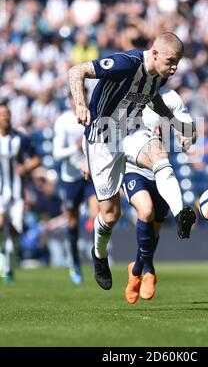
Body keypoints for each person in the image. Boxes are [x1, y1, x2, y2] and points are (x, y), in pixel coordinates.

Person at [68, 32, 196, 293]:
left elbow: (154, 101)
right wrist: (80, 105)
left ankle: (180, 212)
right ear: (155, 53)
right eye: (171, 61)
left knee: (161, 156)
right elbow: (76, 70)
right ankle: (99, 254)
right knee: (110, 215)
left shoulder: (159, 75)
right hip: (101, 138)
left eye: (178, 63)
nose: (174, 68)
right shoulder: (126, 63)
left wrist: (179, 126)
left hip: (131, 131)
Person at [122, 86, 195, 303]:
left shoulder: (170, 98)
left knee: (153, 229)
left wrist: (188, 137)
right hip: (132, 168)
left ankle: (136, 270)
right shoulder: (126, 95)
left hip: (161, 172)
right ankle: (149, 271)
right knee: (145, 211)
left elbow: (189, 128)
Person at [53, 93, 99, 285]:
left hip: (91, 175)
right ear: (70, 101)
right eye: (75, 98)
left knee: (97, 215)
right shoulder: (64, 121)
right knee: (72, 223)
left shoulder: (95, 116)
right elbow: (57, 153)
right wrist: (76, 147)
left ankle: (99, 259)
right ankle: (75, 262)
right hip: (71, 178)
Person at [0, 101, 40, 282]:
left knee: (15, 230)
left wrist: (25, 167)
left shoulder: (20, 138)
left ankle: (9, 264)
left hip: (16, 194)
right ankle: (3, 258)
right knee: (0, 224)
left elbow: (36, 159)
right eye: (2, 115)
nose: (5, 117)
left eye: (7, 114)